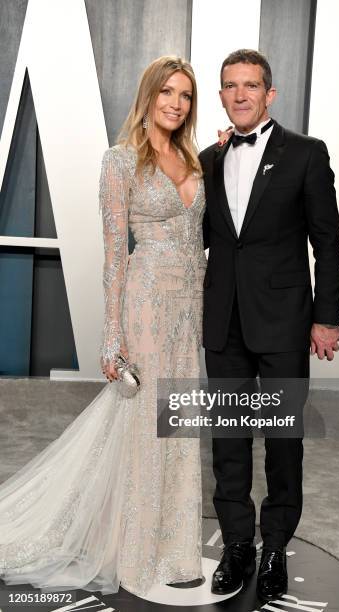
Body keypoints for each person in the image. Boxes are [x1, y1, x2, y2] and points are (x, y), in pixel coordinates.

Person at [0, 56, 206, 597]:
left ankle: (173, 547)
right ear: (148, 95)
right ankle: (133, 551)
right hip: (146, 307)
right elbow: (117, 254)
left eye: (184, 95)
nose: (175, 103)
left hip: (189, 313)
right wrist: (111, 336)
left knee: (179, 425)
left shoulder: (193, 158)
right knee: (145, 427)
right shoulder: (120, 162)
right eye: (166, 92)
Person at [200, 49, 339, 603]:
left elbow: (326, 242)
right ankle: (237, 543)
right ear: (221, 95)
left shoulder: (306, 154)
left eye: (250, 86)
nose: (240, 95)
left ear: (270, 94)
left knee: (285, 440)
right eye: (230, 86)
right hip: (224, 324)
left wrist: (326, 318)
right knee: (227, 440)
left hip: (285, 323)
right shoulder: (208, 158)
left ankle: (276, 544)